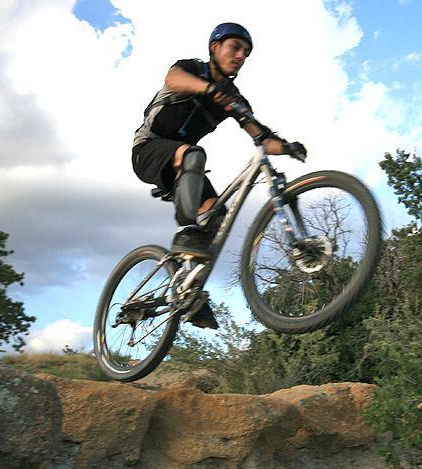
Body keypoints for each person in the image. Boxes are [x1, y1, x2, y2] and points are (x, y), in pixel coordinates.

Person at [131, 22, 306, 329]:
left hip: (185, 167)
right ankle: (186, 230)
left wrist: (288, 146)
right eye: (235, 48)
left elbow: (261, 137)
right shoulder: (190, 69)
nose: (240, 56)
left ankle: (188, 290)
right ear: (215, 47)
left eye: (246, 53)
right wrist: (210, 89)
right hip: (149, 150)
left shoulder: (232, 96)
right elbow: (172, 78)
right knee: (193, 155)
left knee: (217, 217)